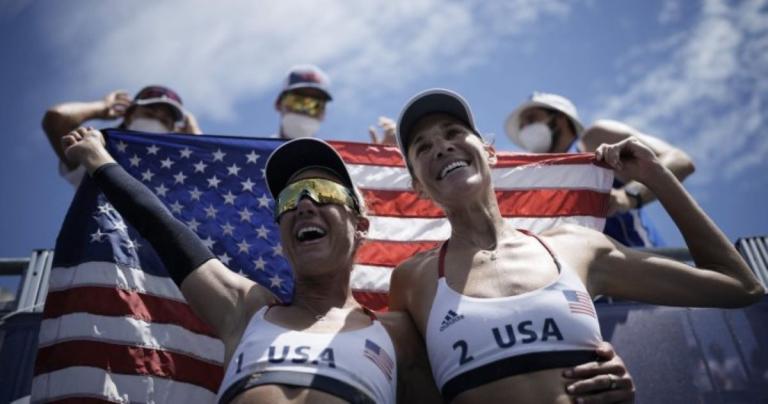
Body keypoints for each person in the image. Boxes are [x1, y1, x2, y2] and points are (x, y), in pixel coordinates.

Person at [62, 126, 636, 403]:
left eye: (319, 191)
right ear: (282, 238)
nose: (303, 204)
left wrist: (590, 370)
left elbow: (491, 374)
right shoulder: (246, 310)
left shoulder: (396, 335)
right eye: (288, 201)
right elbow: (165, 229)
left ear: (360, 226)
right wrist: (101, 162)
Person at [390, 88, 763, 404]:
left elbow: (739, 286)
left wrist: (655, 175)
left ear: (490, 152)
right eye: (422, 147)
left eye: (453, 131)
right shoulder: (411, 281)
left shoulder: (576, 247)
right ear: (418, 187)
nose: (441, 146)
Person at [504, 92, 695, 247]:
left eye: (531, 119)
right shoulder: (537, 180)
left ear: (559, 118)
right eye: (522, 126)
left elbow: (680, 160)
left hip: (649, 281)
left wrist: (626, 197)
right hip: (593, 292)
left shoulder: (594, 140)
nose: (525, 129)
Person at [42, 85, 201, 187]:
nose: (156, 119)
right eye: (149, 113)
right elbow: (57, 118)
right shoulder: (97, 151)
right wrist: (102, 108)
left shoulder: (178, 167)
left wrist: (195, 137)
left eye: (165, 120)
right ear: (128, 115)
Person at [275, 64, 333, 139]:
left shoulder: (332, 151)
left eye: (316, 106)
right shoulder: (257, 149)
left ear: (324, 114)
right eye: (297, 101)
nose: (305, 110)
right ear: (279, 103)